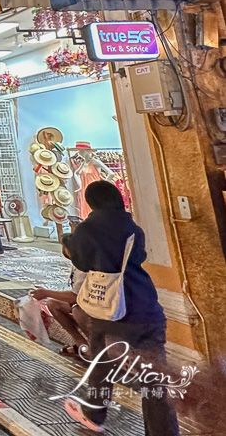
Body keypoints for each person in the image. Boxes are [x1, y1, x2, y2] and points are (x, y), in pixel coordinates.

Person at [62, 181, 177, 435]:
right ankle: (163, 431)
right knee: (154, 376)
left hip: (112, 309)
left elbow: (80, 261)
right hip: (146, 305)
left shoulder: (87, 228)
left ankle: (94, 414)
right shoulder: (132, 225)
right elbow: (140, 257)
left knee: (101, 363)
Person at [30, 233, 90, 357]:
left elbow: (74, 297)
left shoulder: (84, 266)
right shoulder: (77, 262)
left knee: (77, 310)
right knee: (54, 304)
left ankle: (95, 346)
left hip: (91, 306)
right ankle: (81, 343)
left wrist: (46, 293)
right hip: (82, 302)